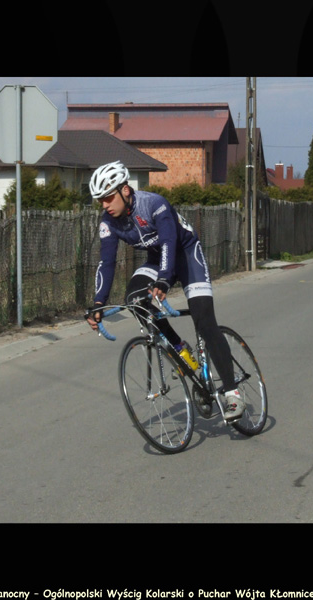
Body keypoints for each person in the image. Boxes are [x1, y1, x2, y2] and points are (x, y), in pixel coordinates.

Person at [84, 161, 245, 420]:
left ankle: (232, 393)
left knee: (204, 320)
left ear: (125, 190)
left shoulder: (153, 203)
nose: (104, 204)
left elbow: (170, 241)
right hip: (157, 259)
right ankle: (180, 349)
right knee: (135, 300)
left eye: (108, 197)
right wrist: (98, 303)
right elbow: (107, 262)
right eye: (100, 200)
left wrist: (164, 281)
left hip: (186, 254)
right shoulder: (109, 222)